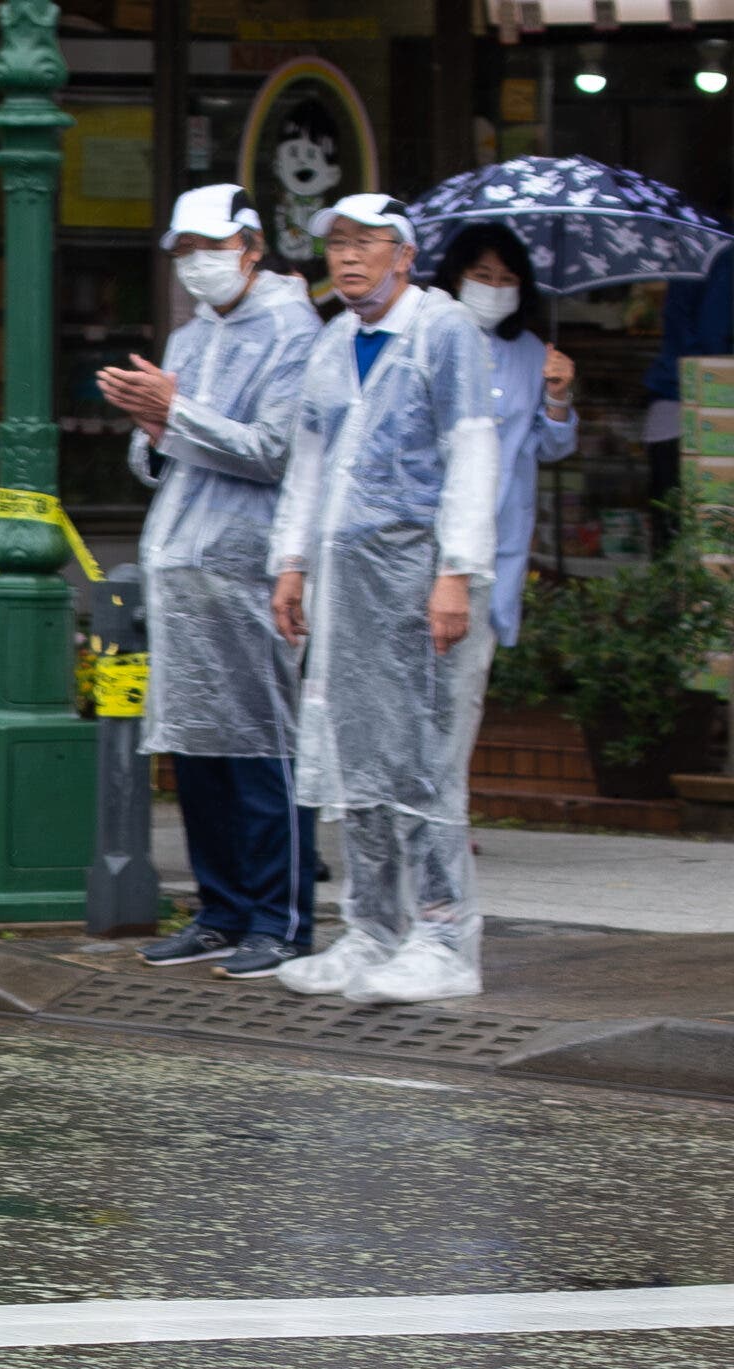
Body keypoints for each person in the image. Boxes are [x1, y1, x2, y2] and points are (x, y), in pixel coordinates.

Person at [267, 194, 500, 1006]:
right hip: (348, 590)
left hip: (421, 582)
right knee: (357, 761)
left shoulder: (445, 333)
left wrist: (457, 570)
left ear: (405, 254)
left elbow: (472, 451)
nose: (349, 256)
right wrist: (291, 563)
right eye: (336, 241)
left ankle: (443, 939)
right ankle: (371, 931)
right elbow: (308, 463)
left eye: (367, 241)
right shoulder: (335, 342)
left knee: (427, 764)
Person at [97, 185, 322, 979]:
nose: (198, 265)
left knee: (264, 744)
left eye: (212, 248)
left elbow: (276, 450)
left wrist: (176, 411)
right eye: (185, 252)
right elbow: (157, 461)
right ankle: (221, 909)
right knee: (197, 747)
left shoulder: (297, 332)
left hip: (251, 565)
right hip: (185, 568)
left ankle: (280, 919)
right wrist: (155, 426)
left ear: (254, 246)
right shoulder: (192, 336)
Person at [433, 223, 576, 646]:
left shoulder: (534, 353)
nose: (495, 288)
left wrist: (558, 395)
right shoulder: (427, 338)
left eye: (507, 279)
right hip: (431, 517)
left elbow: (550, 448)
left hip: (503, 521)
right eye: (482, 275)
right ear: (456, 277)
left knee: (478, 649)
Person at [639, 242, 731, 545]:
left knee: (677, 553)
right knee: (704, 552)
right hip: (700, 418)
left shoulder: (698, 245)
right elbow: (713, 343)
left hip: (677, 415)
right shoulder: (725, 252)